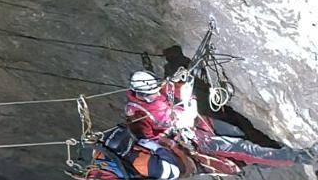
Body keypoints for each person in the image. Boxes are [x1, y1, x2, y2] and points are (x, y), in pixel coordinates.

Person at [124, 70, 315, 170]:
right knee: (243, 147)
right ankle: (304, 157)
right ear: (140, 93)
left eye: (157, 87)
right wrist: (173, 131)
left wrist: (188, 100)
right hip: (191, 140)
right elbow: (148, 141)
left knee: (236, 132)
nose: (158, 91)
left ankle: (261, 162)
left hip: (198, 122)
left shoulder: (161, 88)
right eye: (153, 91)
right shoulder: (136, 114)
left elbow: (182, 90)